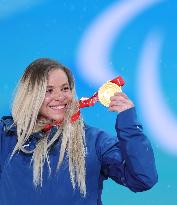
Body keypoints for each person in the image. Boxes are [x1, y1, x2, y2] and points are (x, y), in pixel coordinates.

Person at [0, 58, 158, 205]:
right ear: (30, 94)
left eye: (65, 88)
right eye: (48, 91)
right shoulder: (7, 136)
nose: (60, 97)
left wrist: (128, 124)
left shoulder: (94, 141)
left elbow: (143, 179)